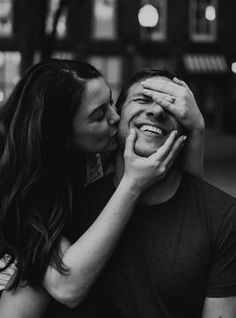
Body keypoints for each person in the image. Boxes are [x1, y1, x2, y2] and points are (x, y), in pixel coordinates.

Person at [0, 60, 198, 317]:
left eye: (111, 103)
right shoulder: (19, 180)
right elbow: (67, 287)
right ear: (61, 136)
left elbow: (192, 204)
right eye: (97, 115)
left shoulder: (94, 146)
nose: (115, 118)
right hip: (11, 290)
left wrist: (198, 128)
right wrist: (132, 184)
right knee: (32, 284)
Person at [42, 68, 235, 318]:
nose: (156, 110)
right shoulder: (64, 204)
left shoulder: (223, 217)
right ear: (118, 117)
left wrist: (198, 127)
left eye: (171, 106)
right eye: (143, 100)